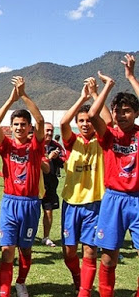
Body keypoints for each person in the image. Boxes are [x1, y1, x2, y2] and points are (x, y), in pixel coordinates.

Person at [88, 59, 139, 297]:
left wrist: (130, 77)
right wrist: (107, 87)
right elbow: (92, 113)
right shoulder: (109, 136)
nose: (120, 115)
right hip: (114, 200)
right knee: (108, 258)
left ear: (136, 113)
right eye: (117, 111)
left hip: (138, 200)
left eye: (126, 111)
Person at [0, 76, 45, 297]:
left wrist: (23, 94)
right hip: (10, 203)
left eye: (23, 124)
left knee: (26, 248)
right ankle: (4, 290)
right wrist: (11, 99)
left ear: (29, 127)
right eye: (16, 125)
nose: (20, 127)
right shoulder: (6, 146)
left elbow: (41, 120)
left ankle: (21, 282)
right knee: (6, 250)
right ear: (11, 128)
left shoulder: (35, 147)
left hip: (31, 204)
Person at [59, 77, 110, 297]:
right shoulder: (72, 141)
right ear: (77, 123)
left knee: (89, 251)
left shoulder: (102, 140)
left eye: (89, 120)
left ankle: (85, 292)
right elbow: (63, 123)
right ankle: (78, 278)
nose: (85, 123)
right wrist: (83, 97)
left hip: (94, 203)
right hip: (71, 203)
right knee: (69, 252)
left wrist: (97, 95)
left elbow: (108, 122)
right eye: (81, 120)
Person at [40, 122, 66, 247]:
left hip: (50, 185)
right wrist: (48, 157)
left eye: (51, 130)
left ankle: (46, 237)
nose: (49, 133)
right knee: (32, 212)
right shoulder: (34, 144)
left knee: (48, 211)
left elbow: (64, 163)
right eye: (47, 130)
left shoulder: (56, 147)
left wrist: (57, 158)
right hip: (35, 185)